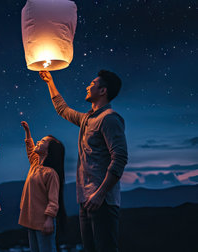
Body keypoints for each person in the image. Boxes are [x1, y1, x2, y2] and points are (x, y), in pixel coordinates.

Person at [39, 70, 128, 252]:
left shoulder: (109, 119)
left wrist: (100, 194)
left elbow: (120, 158)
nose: (88, 86)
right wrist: (50, 82)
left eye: (92, 84)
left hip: (102, 200)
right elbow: (62, 109)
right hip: (86, 198)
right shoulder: (87, 119)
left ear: (103, 91)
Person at [19, 121, 67, 252]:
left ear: (48, 150)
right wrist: (27, 131)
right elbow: (30, 149)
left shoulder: (50, 173)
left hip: (43, 221)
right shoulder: (35, 164)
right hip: (31, 220)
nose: (39, 141)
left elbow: (53, 200)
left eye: (43, 141)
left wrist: (49, 219)